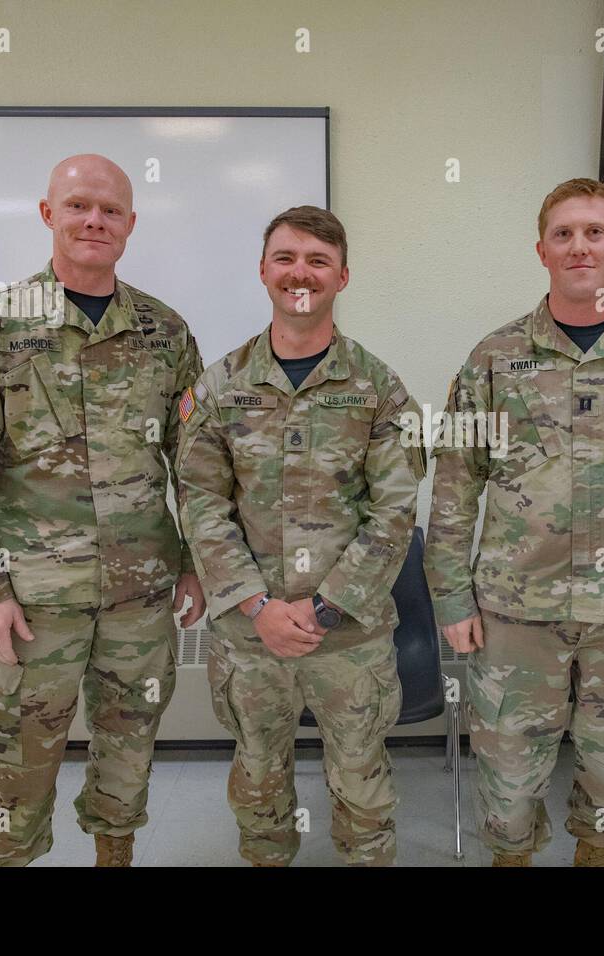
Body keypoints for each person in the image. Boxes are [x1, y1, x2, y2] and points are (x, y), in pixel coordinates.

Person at [0, 154, 205, 866]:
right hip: (32, 599)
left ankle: (115, 858)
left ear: (130, 226)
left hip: (140, 600)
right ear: (49, 214)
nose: (94, 221)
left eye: (110, 211)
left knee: (129, 749)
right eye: (78, 206)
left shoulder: (164, 333)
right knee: (17, 762)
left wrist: (196, 565)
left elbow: (198, 465)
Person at [424, 178, 604, 866]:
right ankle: (512, 855)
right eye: (564, 234)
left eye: (593, 232)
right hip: (515, 607)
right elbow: (455, 485)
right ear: (542, 250)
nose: (578, 246)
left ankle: (596, 853)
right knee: (506, 759)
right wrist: (450, 595)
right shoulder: (494, 359)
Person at [175, 206, 422, 866]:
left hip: (349, 637)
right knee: (258, 784)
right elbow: (201, 503)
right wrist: (258, 607)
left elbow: (394, 514)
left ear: (342, 276)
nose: (300, 273)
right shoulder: (220, 387)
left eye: (317, 260)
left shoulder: (379, 390)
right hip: (250, 636)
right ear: (263, 271)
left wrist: (323, 607)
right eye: (285, 258)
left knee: (362, 788)